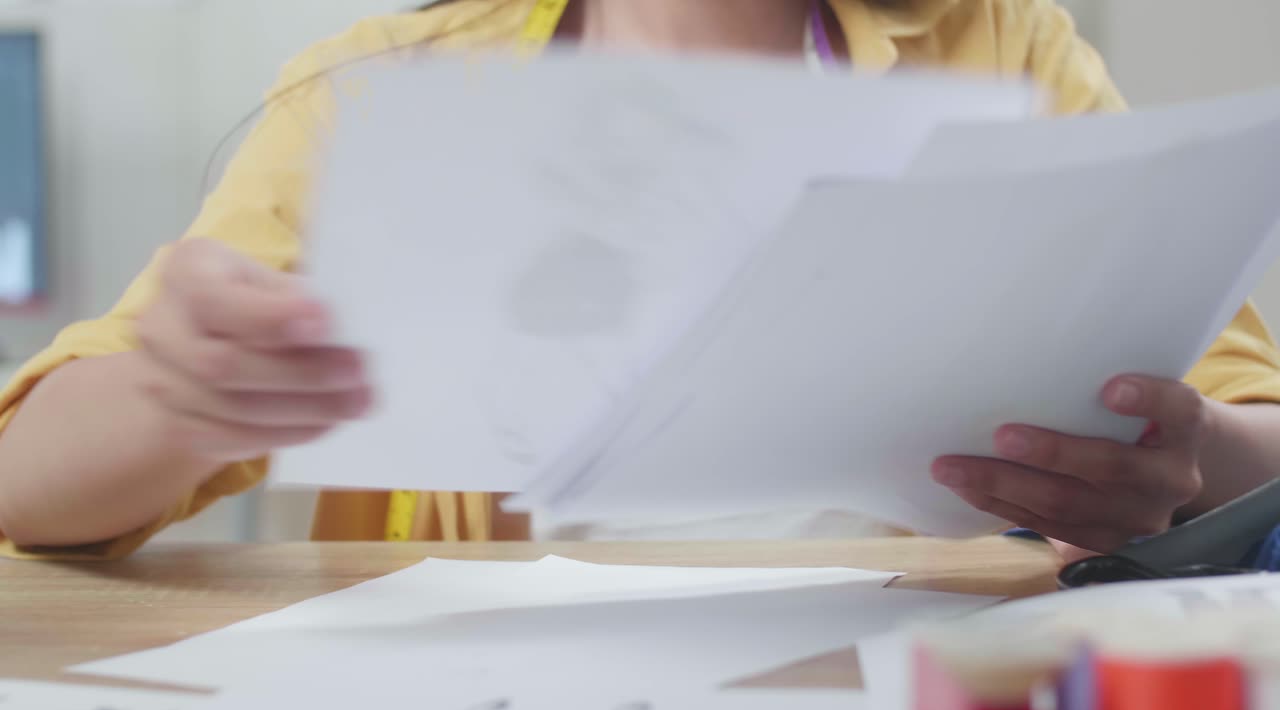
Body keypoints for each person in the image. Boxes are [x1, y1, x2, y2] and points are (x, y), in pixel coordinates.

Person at [2, 0, 1280, 561]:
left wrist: (1180, 457)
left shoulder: (1009, 48)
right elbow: (26, 487)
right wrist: (183, 398)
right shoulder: (378, 93)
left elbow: (1254, 436)